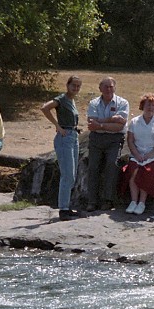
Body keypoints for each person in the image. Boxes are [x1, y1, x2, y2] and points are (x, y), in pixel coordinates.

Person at [119, 93, 154, 215]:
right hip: (137, 154)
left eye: (153, 105)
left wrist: (151, 153)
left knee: (146, 171)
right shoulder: (135, 122)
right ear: (142, 106)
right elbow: (130, 140)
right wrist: (136, 154)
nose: (150, 108)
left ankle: (142, 203)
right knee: (133, 170)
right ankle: (133, 201)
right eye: (148, 105)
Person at [41, 75, 83, 220]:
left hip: (73, 136)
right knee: (67, 175)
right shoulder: (61, 99)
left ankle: (67, 206)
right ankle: (63, 209)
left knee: (72, 174)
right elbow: (45, 108)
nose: (75, 88)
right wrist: (57, 125)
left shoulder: (72, 101)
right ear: (68, 85)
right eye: (73, 85)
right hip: (64, 137)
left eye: (78, 86)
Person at [86, 76, 130, 211]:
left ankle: (108, 200)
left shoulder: (123, 103)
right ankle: (91, 201)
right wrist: (111, 119)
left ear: (115, 88)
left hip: (115, 139)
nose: (108, 89)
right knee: (93, 167)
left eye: (111, 86)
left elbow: (119, 127)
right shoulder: (93, 103)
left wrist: (99, 124)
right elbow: (91, 125)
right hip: (96, 139)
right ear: (100, 88)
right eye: (105, 86)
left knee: (112, 165)